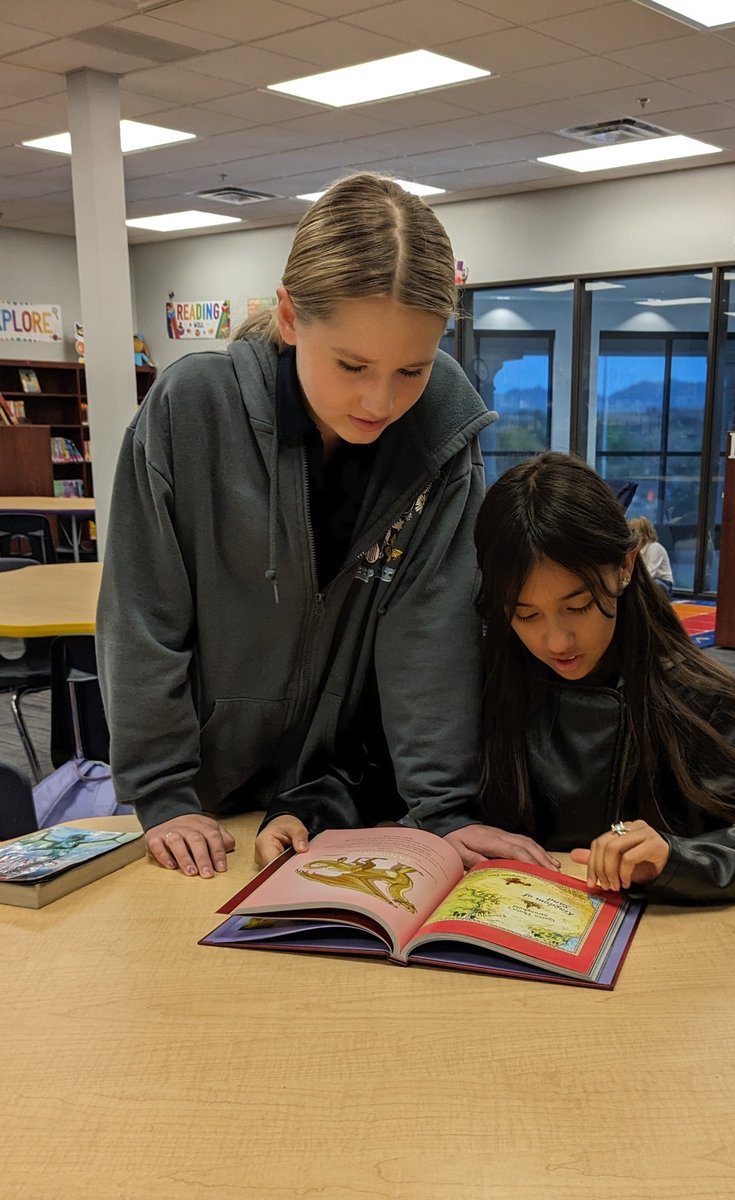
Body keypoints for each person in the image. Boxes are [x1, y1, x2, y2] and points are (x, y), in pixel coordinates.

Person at [97, 173, 554, 880]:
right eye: (351, 365)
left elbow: (431, 632)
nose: (380, 400)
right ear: (288, 316)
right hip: (200, 808)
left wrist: (442, 810)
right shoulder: (192, 410)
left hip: (340, 800)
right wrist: (162, 793)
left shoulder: (441, 439)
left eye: (412, 369)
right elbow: (143, 615)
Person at [473, 452, 735, 903]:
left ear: (626, 566)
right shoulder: (482, 677)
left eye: (579, 606)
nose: (556, 641)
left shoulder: (691, 693)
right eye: (525, 614)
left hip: (666, 947)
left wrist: (679, 858)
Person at [628, 514, 674, 597]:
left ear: (644, 534)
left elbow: (649, 574)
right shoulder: (636, 550)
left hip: (663, 583)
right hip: (645, 581)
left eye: (635, 533)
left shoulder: (655, 547)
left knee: (651, 584)